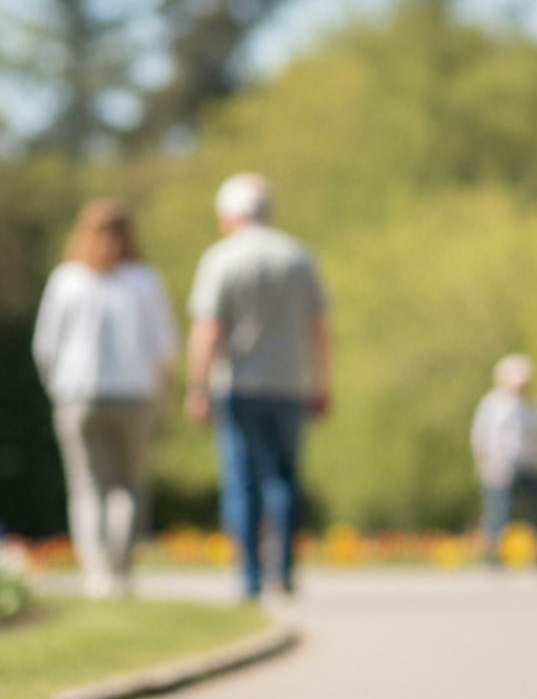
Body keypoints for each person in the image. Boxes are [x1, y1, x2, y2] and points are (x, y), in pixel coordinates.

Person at [185, 174, 331, 600]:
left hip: (239, 385)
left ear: (230, 215)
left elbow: (208, 329)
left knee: (242, 479)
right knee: (284, 478)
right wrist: (323, 381)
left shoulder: (222, 259)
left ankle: (249, 577)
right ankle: (283, 569)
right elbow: (319, 327)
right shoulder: (298, 257)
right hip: (291, 383)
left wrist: (197, 386)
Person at [32, 200, 179, 598]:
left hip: (80, 394)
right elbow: (165, 347)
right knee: (128, 486)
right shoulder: (144, 281)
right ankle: (120, 571)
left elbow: (46, 345)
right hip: (135, 395)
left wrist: (57, 388)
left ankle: (97, 572)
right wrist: (164, 391)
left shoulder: (68, 280)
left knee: (87, 486)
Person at [470, 354, 537, 566]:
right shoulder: (492, 404)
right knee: (499, 512)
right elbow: (481, 436)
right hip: (500, 465)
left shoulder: (529, 406)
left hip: (527, 464)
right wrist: (486, 463)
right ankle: (493, 554)